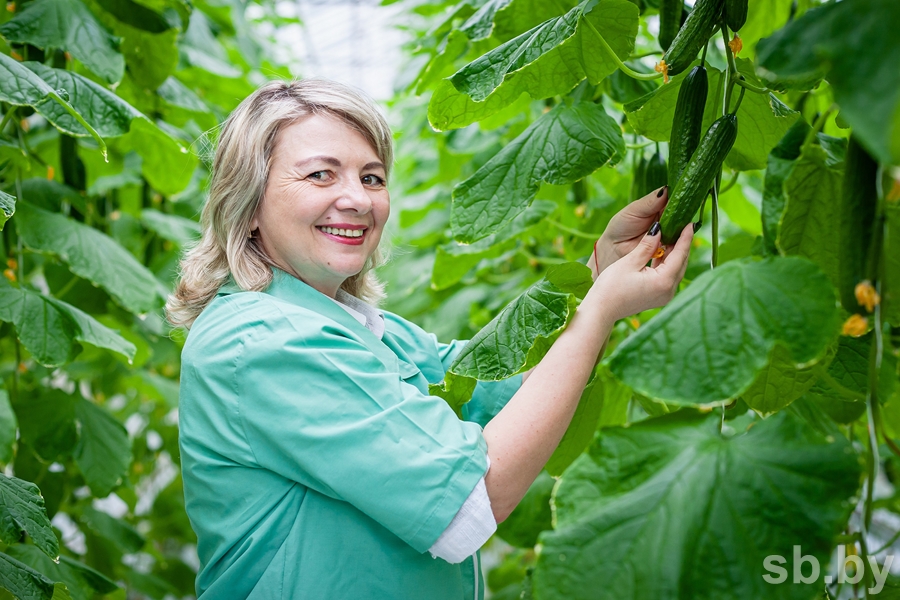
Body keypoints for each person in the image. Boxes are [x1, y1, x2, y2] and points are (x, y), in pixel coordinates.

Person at [166, 79, 693, 600]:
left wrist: (600, 271)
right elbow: (470, 498)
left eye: (372, 177)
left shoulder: (357, 325)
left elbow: (493, 390)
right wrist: (600, 311)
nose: (356, 198)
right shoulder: (261, 341)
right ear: (249, 203)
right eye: (321, 174)